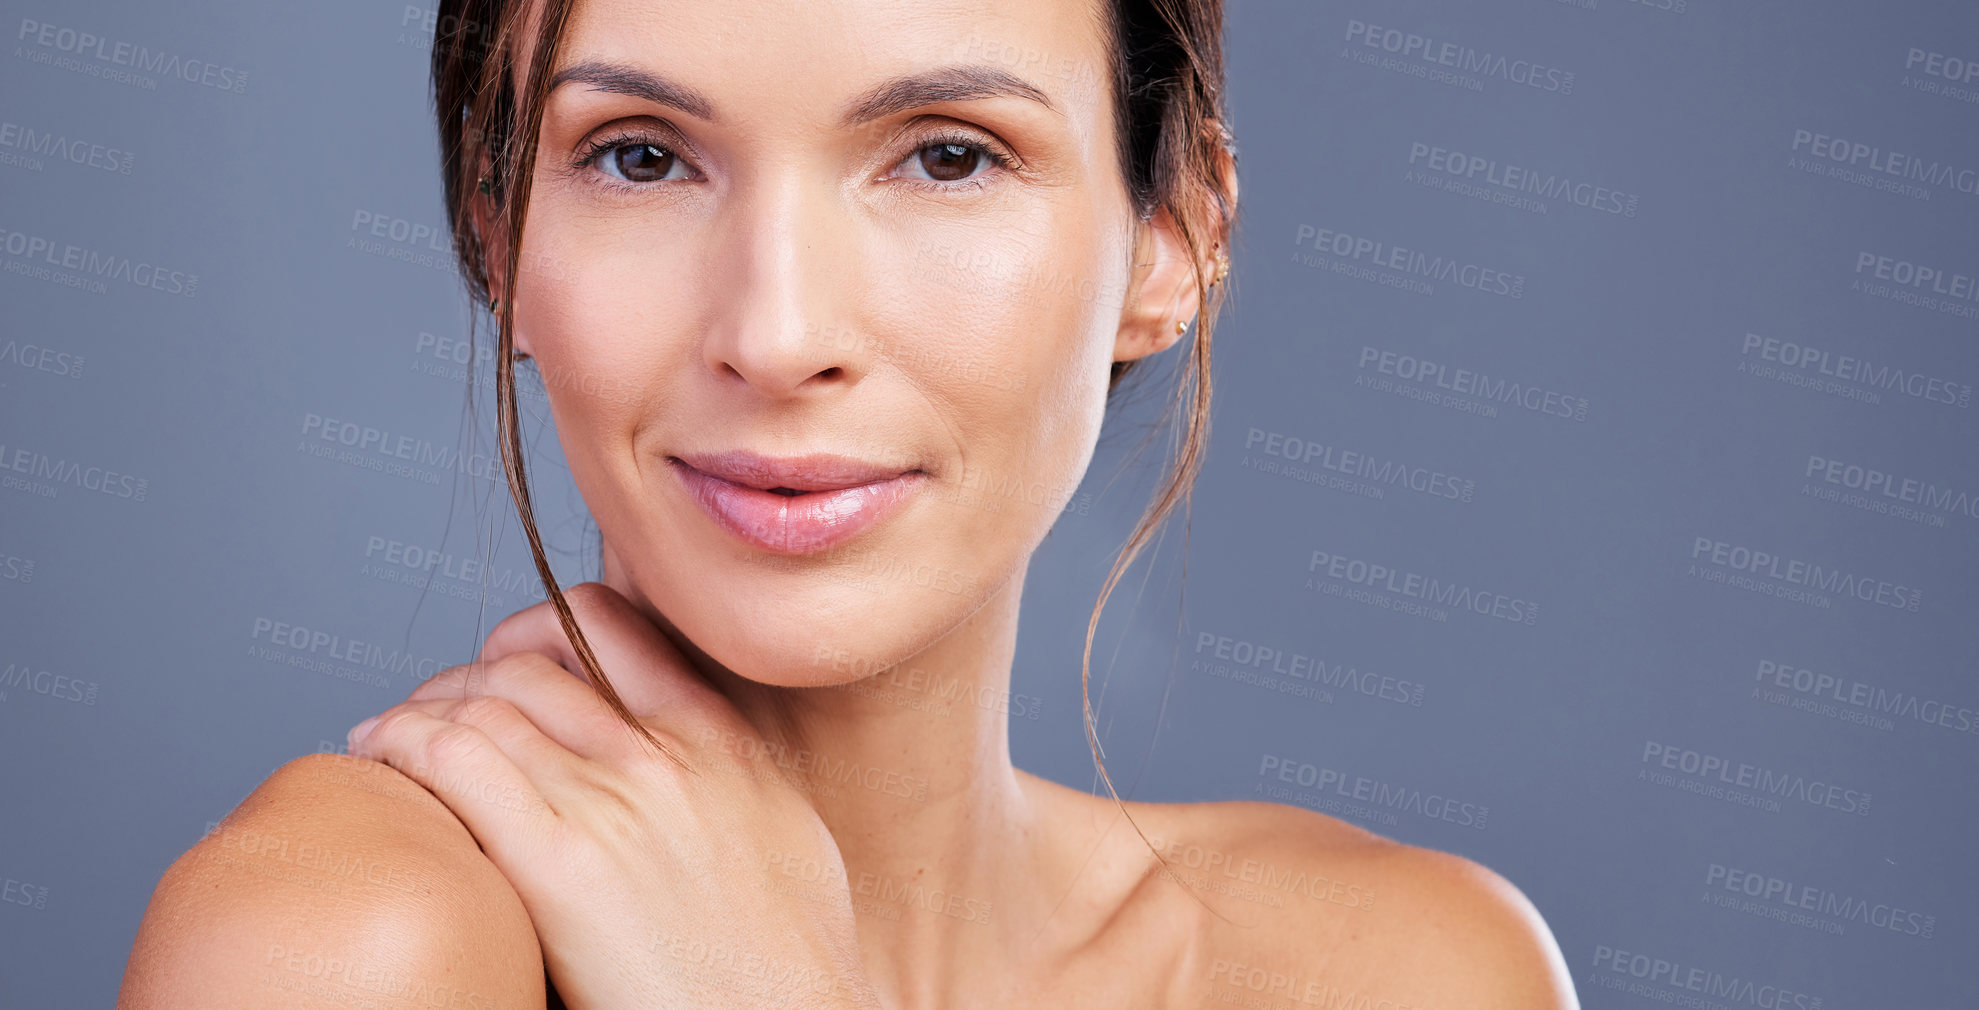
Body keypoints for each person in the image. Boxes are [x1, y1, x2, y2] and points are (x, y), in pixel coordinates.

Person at [119, 0, 1578, 1006]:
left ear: (1171, 240)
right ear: (496, 234)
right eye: (641, 156)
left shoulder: (1401, 968)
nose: (777, 326)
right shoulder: (350, 946)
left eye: (946, 154)